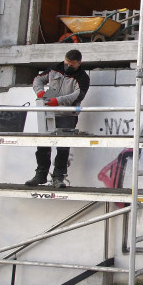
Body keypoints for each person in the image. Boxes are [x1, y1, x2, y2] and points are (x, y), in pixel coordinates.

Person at [26, 49, 90, 188]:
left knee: (62, 148)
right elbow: (38, 79)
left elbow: (77, 96)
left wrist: (58, 101)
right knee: (43, 145)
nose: (68, 66)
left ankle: (58, 177)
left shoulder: (83, 78)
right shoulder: (55, 68)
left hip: (67, 116)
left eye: (71, 65)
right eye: (67, 63)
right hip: (48, 113)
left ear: (79, 63)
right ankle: (40, 175)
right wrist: (40, 92)